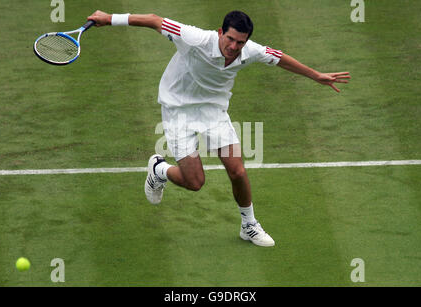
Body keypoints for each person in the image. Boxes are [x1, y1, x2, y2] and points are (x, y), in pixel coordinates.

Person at [87, 10, 350, 247]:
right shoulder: (194, 38)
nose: (234, 47)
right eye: (230, 39)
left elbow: (279, 58)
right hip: (177, 110)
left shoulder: (251, 51)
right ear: (220, 32)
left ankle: (249, 225)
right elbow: (155, 21)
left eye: (241, 42)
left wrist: (316, 75)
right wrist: (109, 18)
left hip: (213, 112)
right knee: (195, 182)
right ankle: (159, 170)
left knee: (237, 170)